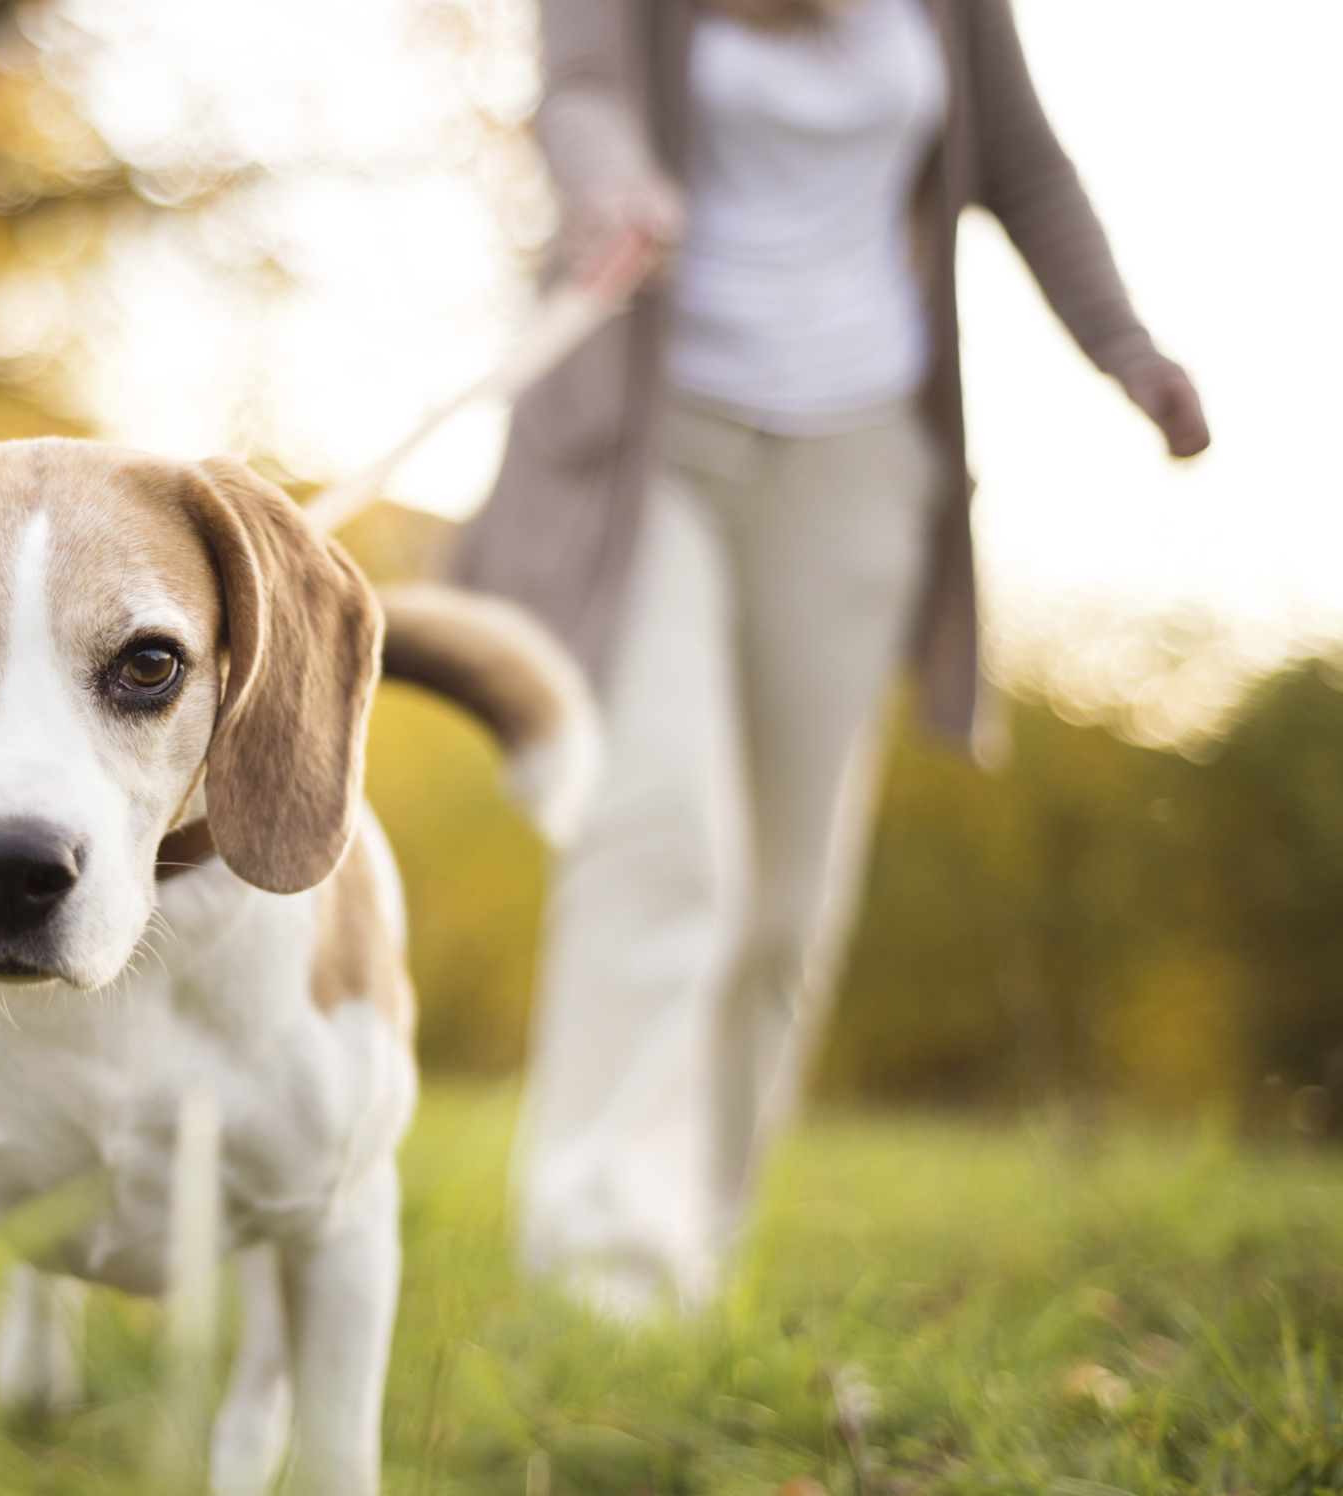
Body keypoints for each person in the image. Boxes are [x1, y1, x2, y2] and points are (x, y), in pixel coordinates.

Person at [458, 0, 1209, 1314]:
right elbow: (577, 89)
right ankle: (592, 1261)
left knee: (787, 901)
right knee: (663, 831)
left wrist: (1125, 349)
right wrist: (615, 177)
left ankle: (693, 1250)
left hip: (859, 458)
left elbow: (1025, 167)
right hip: (655, 440)